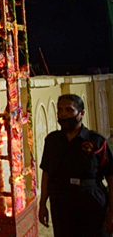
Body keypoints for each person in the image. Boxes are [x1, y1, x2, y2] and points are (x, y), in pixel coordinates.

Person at [39, 94, 113, 237]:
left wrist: (112, 212)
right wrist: (42, 204)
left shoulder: (96, 141)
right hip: (61, 203)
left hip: (92, 202)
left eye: (69, 110)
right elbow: (46, 174)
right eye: (60, 110)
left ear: (81, 114)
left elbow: (111, 176)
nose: (64, 114)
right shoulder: (52, 141)